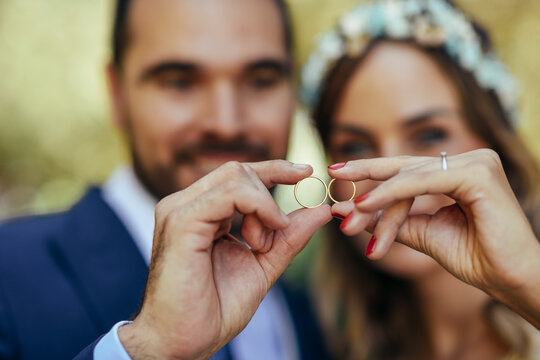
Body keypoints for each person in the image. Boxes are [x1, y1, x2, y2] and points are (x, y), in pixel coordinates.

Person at [0, 0, 331, 359]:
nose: (226, 122)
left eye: (261, 80)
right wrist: (146, 349)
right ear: (117, 94)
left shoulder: (317, 317)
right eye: (179, 81)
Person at [299, 0, 540, 358]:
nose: (393, 175)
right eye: (356, 145)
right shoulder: (318, 342)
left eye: (429, 135)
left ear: (494, 146)